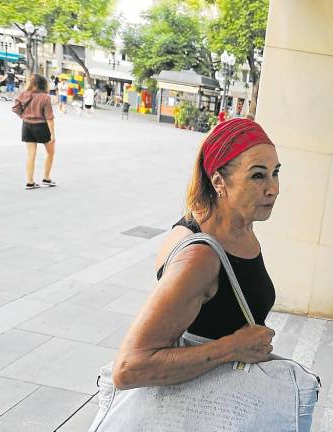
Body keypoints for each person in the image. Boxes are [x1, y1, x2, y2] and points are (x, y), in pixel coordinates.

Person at [112, 119, 280, 396]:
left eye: (276, 173)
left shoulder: (236, 225)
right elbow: (129, 368)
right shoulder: (200, 256)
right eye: (258, 176)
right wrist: (232, 347)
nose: (273, 188)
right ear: (218, 181)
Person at [12, 74, 57, 190]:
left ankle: (30, 182)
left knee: (31, 155)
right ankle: (46, 178)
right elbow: (49, 117)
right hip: (41, 127)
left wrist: (25, 117)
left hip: (27, 126)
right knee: (50, 152)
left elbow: (15, 108)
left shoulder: (23, 94)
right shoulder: (45, 97)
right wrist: (52, 134)